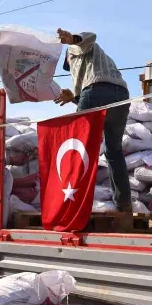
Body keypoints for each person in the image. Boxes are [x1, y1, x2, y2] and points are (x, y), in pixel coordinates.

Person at [54, 29, 133, 212]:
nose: (69, 65)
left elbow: (89, 37)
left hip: (95, 91)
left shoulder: (79, 49)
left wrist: (71, 39)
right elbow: (94, 94)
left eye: (68, 62)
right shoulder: (102, 61)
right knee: (114, 151)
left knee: (78, 147)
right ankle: (124, 204)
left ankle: (72, 204)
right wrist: (73, 98)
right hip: (121, 97)